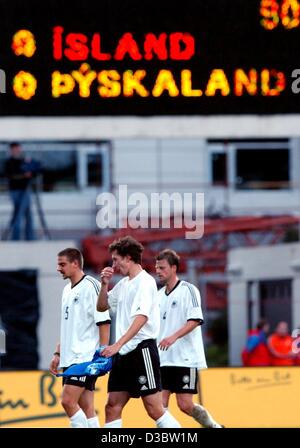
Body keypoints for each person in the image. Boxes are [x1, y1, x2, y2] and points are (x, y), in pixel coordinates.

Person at [97, 236, 181, 428]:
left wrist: (117, 344)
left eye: (116, 259)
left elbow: (141, 318)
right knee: (112, 406)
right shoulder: (125, 283)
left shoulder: (145, 282)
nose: (114, 264)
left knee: (154, 409)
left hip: (142, 351)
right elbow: (102, 307)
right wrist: (104, 284)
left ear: (128, 258)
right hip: (123, 353)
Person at [155, 249, 223, 428]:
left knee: (185, 405)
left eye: (162, 268)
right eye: (157, 268)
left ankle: (214, 426)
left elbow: (195, 320)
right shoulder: (158, 295)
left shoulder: (189, 290)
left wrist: (173, 337)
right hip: (163, 359)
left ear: (174, 268)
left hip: (185, 358)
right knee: (158, 407)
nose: (158, 271)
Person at [49, 248, 111, 428]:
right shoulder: (67, 290)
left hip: (84, 357)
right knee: (86, 407)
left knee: (67, 401)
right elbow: (68, 326)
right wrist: (57, 353)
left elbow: (104, 321)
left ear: (75, 263)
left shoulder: (91, 285)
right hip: (69, 357)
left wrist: (102, 353)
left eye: (62, 264)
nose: (59, 269)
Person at [4, 142, 35, 240]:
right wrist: (24, 175)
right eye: (15, 149)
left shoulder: (25, 161)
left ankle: (30, 238)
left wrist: (30, 167)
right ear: (11, 150)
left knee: (28, 215)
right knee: (18, 213)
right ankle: (15, 238)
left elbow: (33, 174)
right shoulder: (9, 162)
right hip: (15, 191)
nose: (17, 151)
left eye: (18, 149)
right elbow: (11, 176)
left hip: (26, 190)